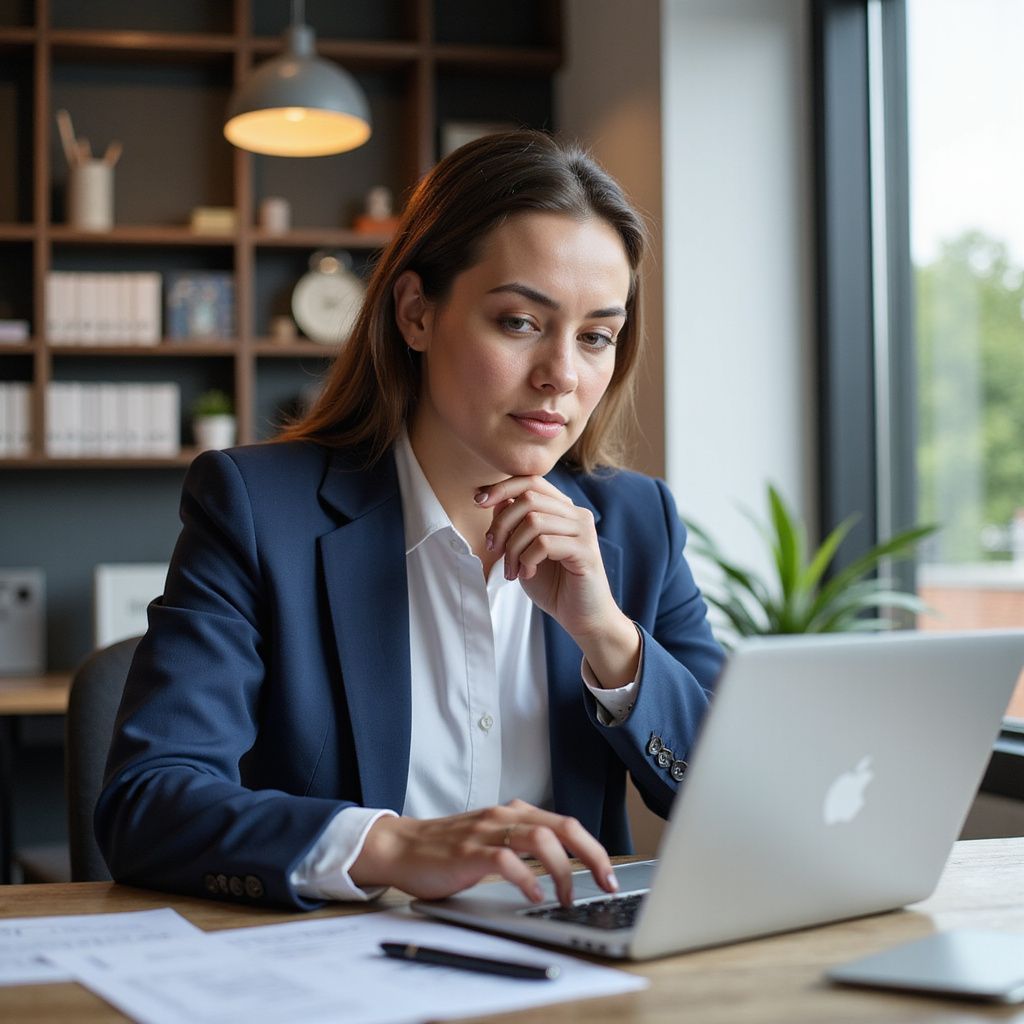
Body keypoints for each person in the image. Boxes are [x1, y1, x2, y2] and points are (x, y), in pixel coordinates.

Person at [96, 130, 724, 911]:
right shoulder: (259, 511)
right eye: (520, 323)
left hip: (570, 976)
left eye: (596, 336)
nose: (563, 373)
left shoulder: (637, 524)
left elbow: (737, 802)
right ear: (417, 313)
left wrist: (612, 641)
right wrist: (394, 846)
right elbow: (148, 804)